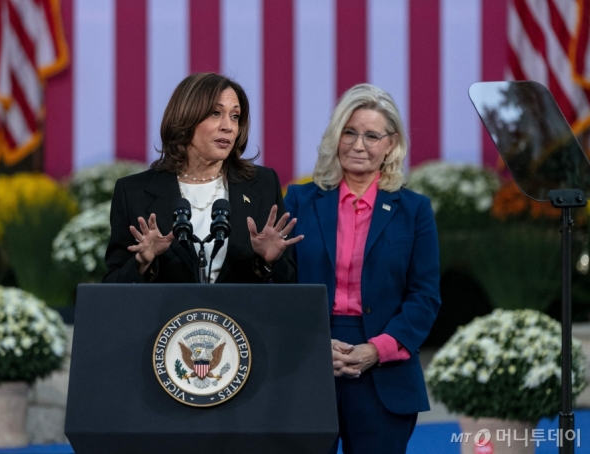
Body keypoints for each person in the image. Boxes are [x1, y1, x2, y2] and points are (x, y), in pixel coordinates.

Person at [284, 83, 441, 454]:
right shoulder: (299, 200)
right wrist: (316, 343)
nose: (358, 145)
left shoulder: (414, 210)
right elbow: (281, 286)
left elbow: (425, 296)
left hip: (384, 367)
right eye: (350, 132)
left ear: (391, 144)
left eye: (372, 136)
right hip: (309, 358)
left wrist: (377, 349)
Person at [103, 73, 302, 284]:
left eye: (235, 116)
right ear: (186, 118)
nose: (228, 126)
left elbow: (288, 285)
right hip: (168, 316)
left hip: (240, 316)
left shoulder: (262, 184)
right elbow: (112, 289)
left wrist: (269, 262)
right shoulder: (133, 193)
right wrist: (141, 262)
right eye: (216, 113)